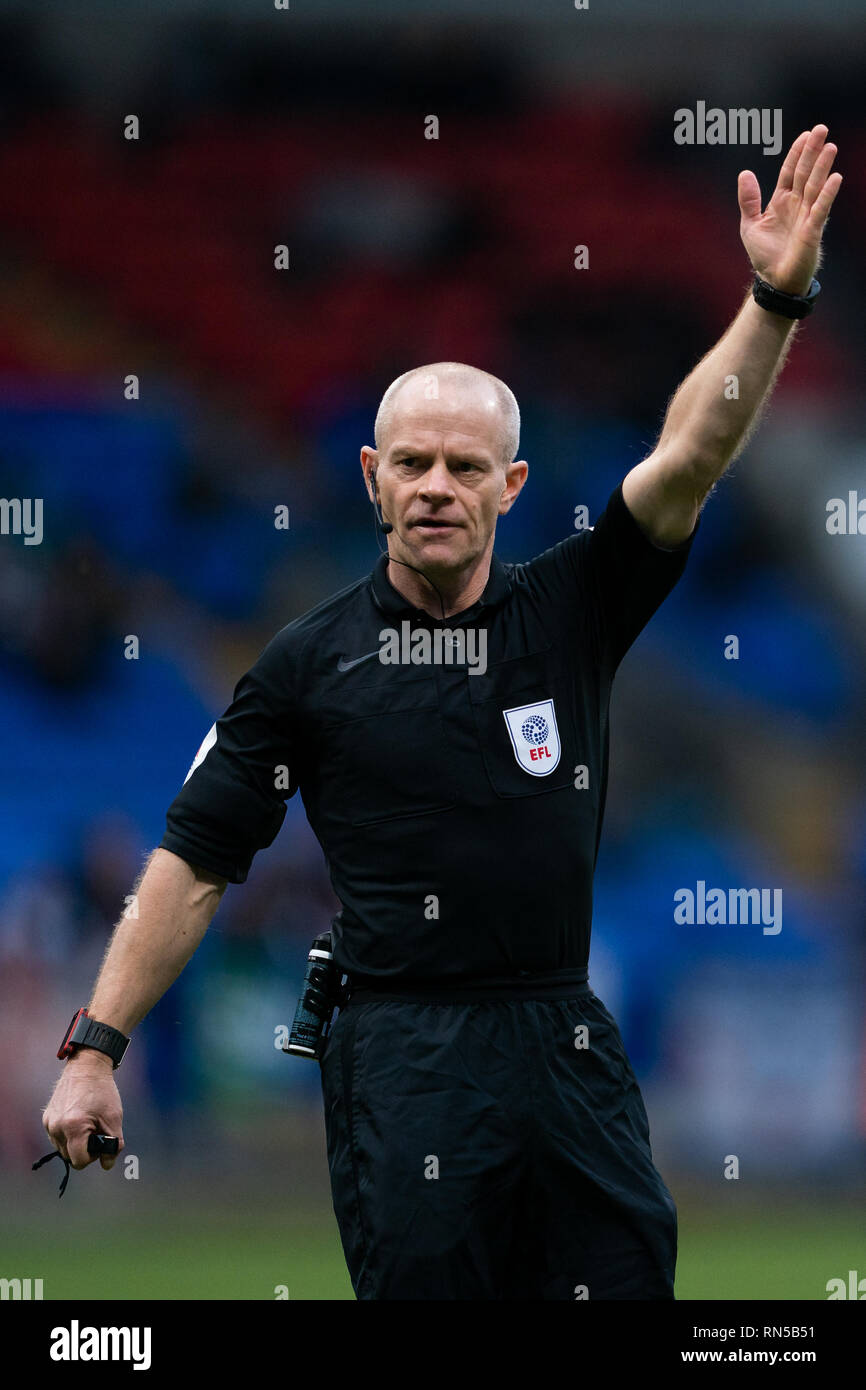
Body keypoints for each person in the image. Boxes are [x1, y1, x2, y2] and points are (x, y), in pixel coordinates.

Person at [42, 125, 841, 1299]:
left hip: (563, 1041)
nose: (433, 488)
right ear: (369, 476)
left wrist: (774, 298)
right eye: (411, 464)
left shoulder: (571, 608)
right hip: (402, 1057)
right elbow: (195, 859)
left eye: (465, 469)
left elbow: (686, 456)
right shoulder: (303, 666)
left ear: (511, 488)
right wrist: (95, 1049)